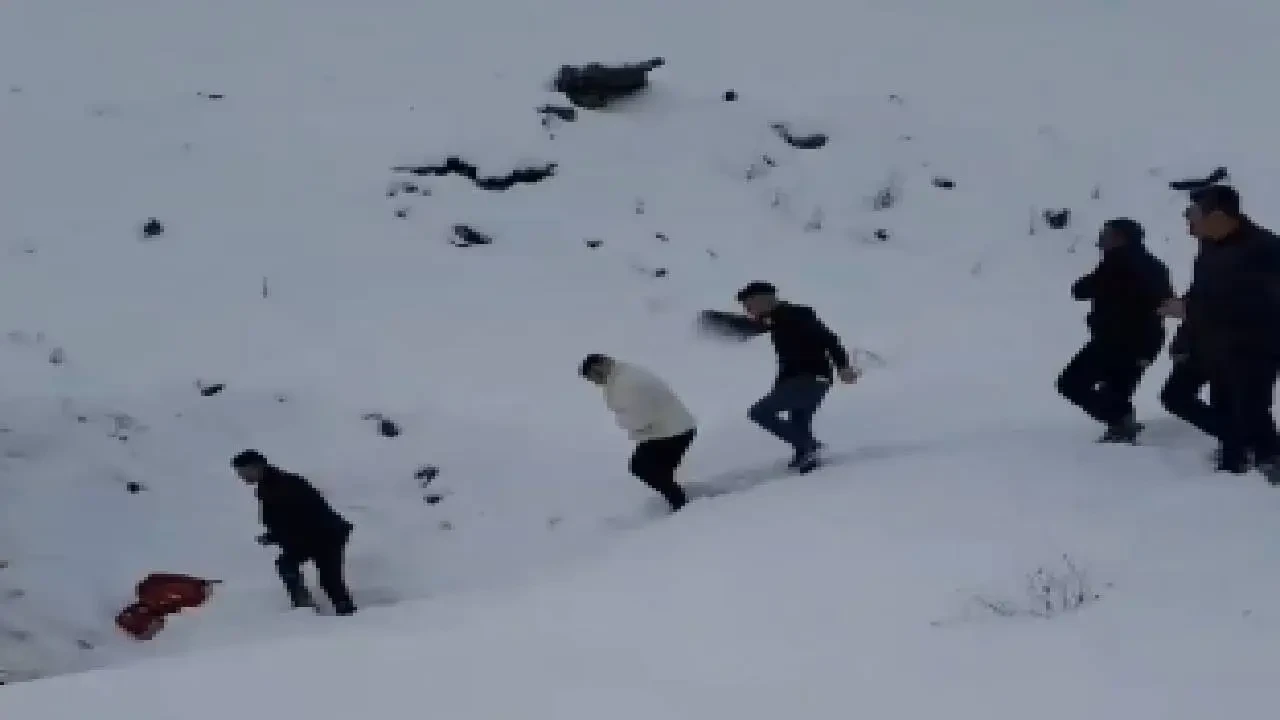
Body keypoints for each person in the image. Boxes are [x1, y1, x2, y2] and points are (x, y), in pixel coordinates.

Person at [1158, 185, 1280, 480]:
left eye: (1193, 215)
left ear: (1218, 216)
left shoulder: (1265, 249)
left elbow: (1259, 306)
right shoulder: (1210, 247)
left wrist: (1188, 309)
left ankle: (1260, 464)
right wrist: (1184, 337)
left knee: (1249, 409)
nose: (1188, 222)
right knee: (1178, 396)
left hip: (1254, 347)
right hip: (1210, 342)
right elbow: (1201, 292)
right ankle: (1241, 452)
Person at [1056, 218, 1173, 443]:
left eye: (1106, 234)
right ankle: (1120, 426)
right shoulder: (1150, 264)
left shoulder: (1118, 263)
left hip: (1119, 340)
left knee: (1071, 383)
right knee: (1116, 388)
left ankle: (1121, 421)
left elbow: (1081, 289)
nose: (1102, 238)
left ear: (1121, 237)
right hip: (1142, 340)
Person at [733, 281, 859, 473]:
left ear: (763, 299)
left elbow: (829, 339)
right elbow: (751, 326)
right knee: (798, 422)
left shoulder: (795, 315)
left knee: (759, 412)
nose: (747, 310)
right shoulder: (777, 319)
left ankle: (810, 447)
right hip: (805, 380)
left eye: (749, 304)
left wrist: (843, 366)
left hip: (808, 378)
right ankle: (806, 458)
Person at [232, 450, 357, 614]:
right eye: (239, 473)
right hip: (307, 536)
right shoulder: (266, 487)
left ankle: (347, 614)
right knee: (287, 564)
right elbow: (281, 521)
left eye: (243, 471)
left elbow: (301, 516)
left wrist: (277, 535)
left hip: (326, 534)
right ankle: (304, 607)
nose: (241, 476)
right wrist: (273, 536)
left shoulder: (285, 484)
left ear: (257, 467)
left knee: (330, 580)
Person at [580, 354, 697, 511]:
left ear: (599, 366)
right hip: (671, 429)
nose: (594, 383)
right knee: (657, 471)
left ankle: (681, 505)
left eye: (592, 377)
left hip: (673, 432)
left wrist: (622, 421)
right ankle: (679, 502)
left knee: (641, 467)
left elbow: (640, 418)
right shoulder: (621, 376)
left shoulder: (626, 382)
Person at [1159, 238, 1223, 464]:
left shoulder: (1251, 263)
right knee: (1174, 396)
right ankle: (1239, 440)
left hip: (1237, 348)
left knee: (1232, 401)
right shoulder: (1206, 267)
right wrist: (1182, 342)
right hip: (1200, 347)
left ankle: (1246, 446)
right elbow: (1193, 311)